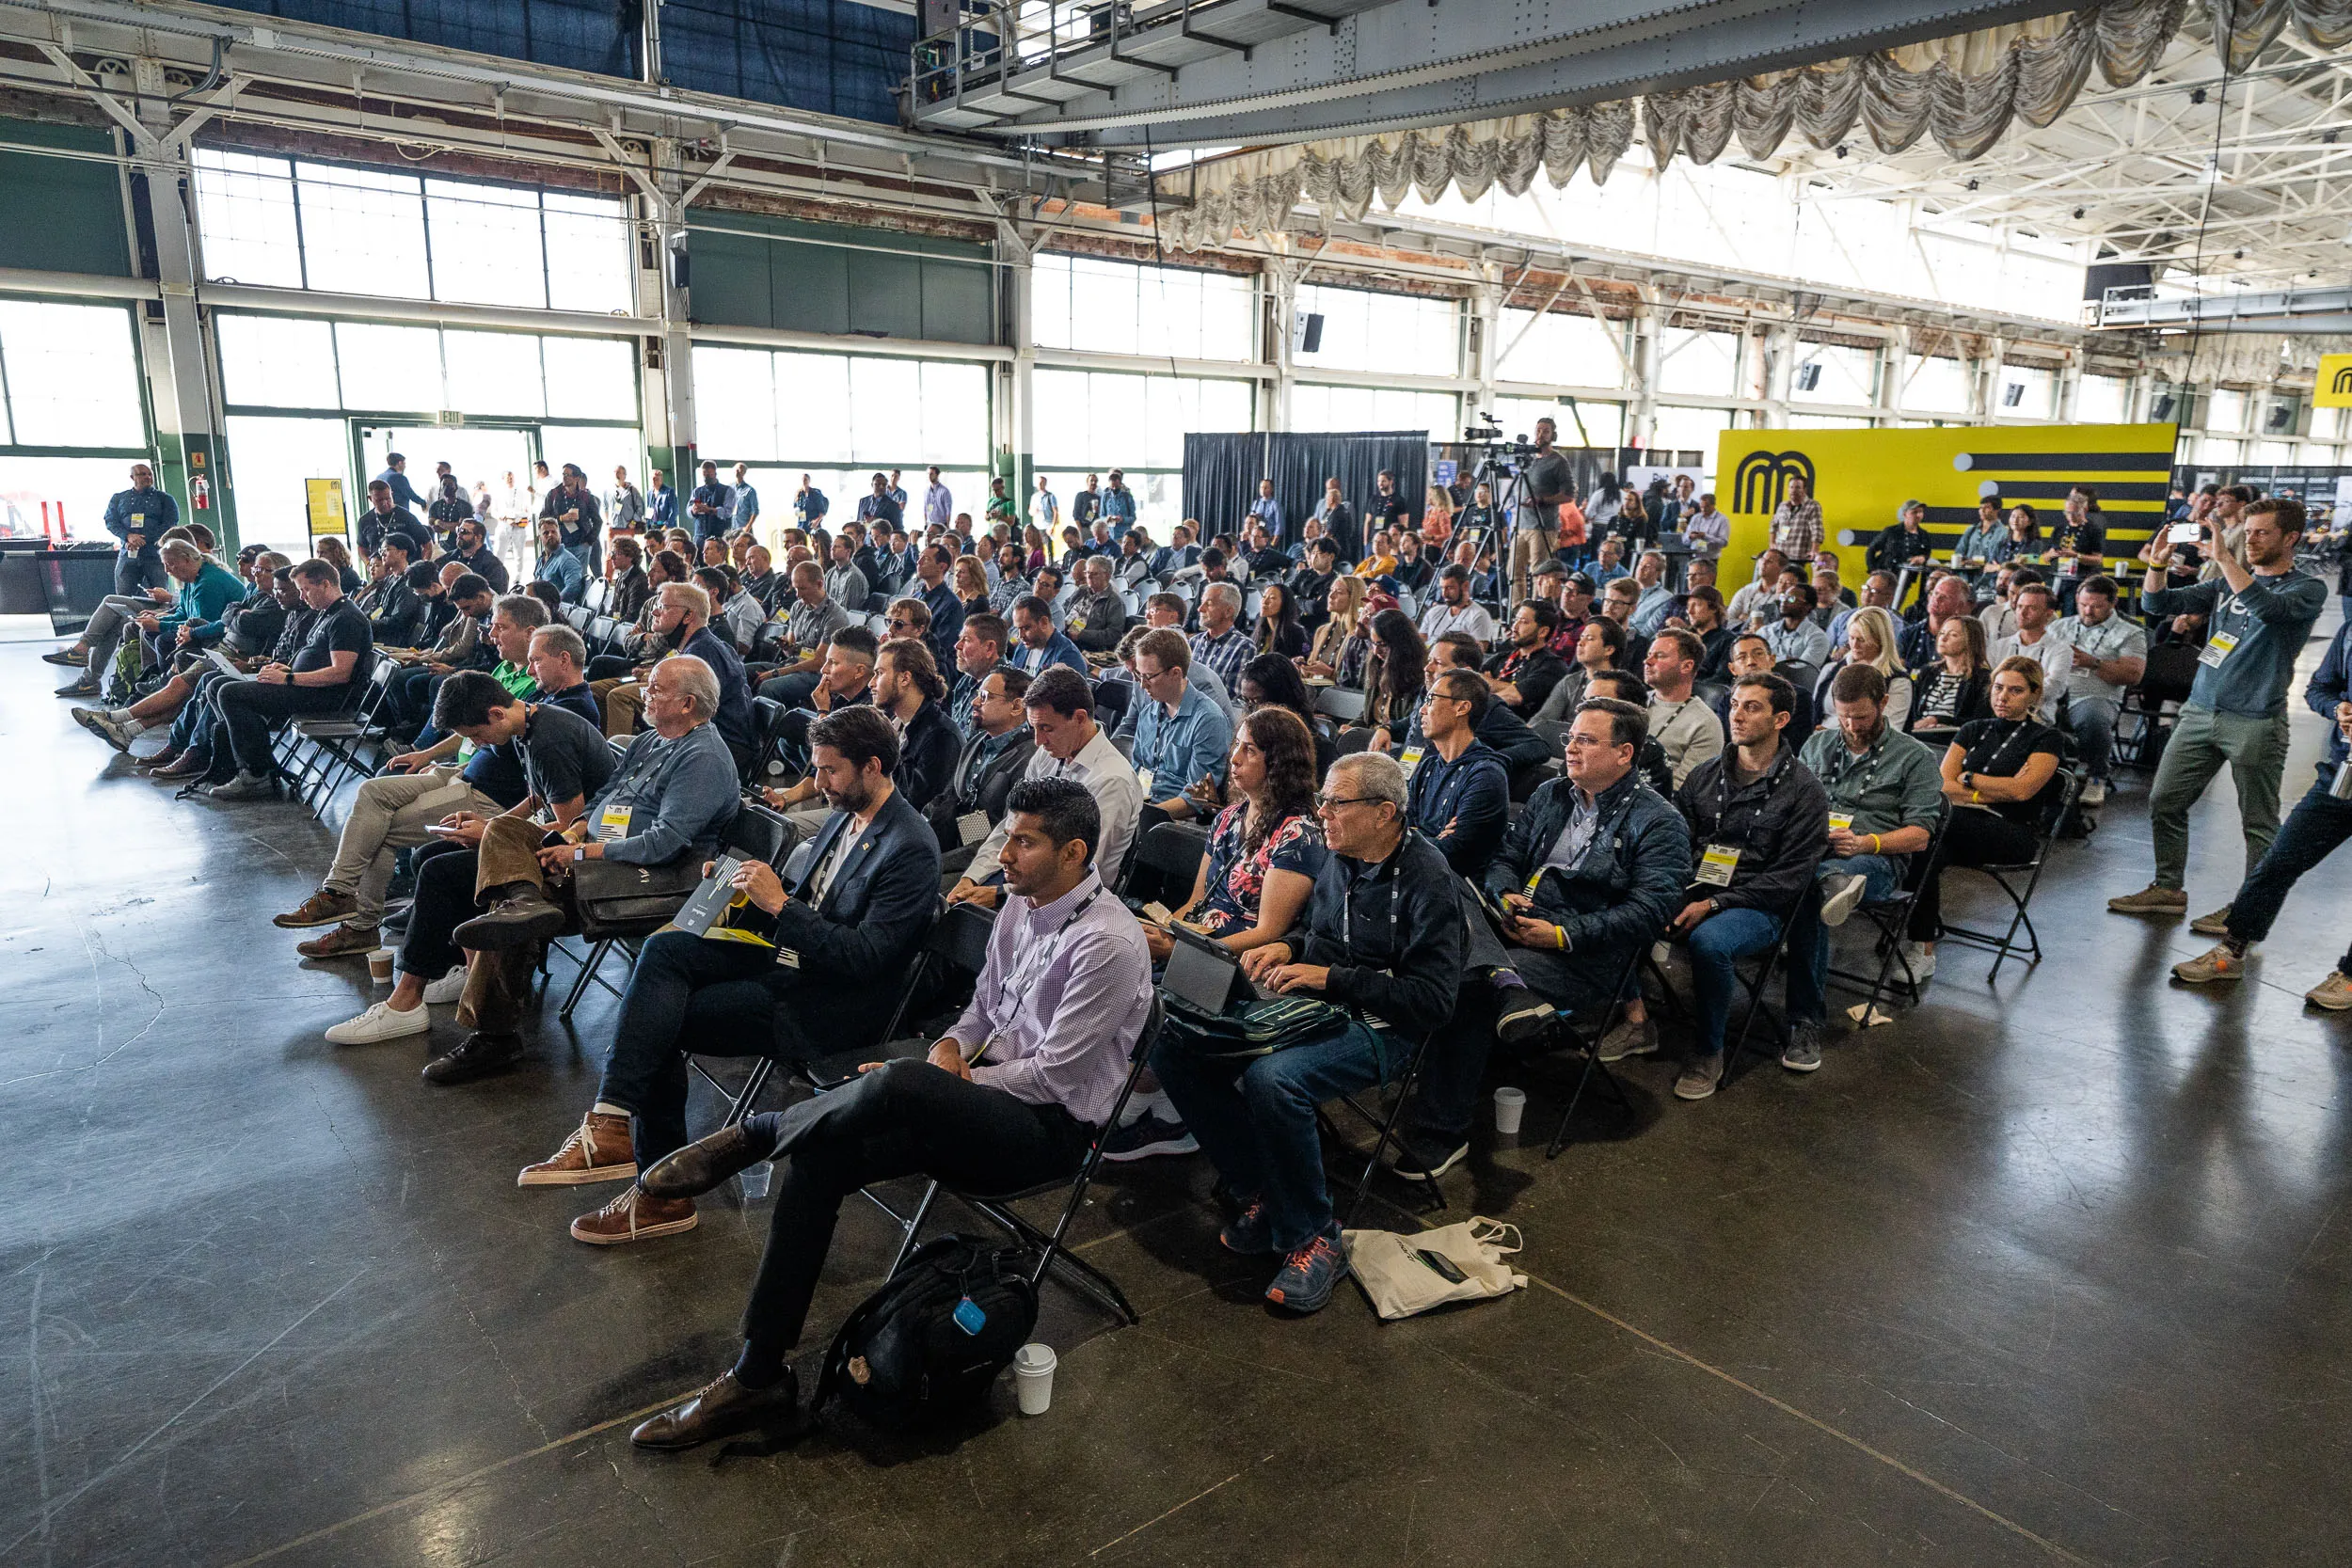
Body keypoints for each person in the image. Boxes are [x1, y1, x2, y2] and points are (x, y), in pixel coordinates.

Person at [617, 776, 1148, 1448]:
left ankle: (758, 1133)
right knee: (822, 1154)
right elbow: (981, 1010)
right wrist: (949, 1049)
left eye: (1025, 842)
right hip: (974, 1093)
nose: (1005, 854)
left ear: (1074, 853)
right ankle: (758, 1376)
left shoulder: (1108, 943)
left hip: (1045, 1131)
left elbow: (1052, 1077)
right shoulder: (1021, 905)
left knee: (903, 1080)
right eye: (1007, 836)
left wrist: (946, 1077)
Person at [523, 700, 943, 1246]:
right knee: (665, 951)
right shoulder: (847, 812)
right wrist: (744, 886)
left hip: (832, 1002)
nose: (818, 783)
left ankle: (659, 1190)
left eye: (829, 770)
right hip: (791, 960)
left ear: (873, 767)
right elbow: (809, 902)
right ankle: (612, 1121)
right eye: (816, 768)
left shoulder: (910, 846)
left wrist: (779, 905)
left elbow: (865, 958)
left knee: (658, 1021)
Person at [1154, 752, 1464, 1313]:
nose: (1322, 813)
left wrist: (1331, 977)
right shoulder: (1342, 855)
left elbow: (1434, 1003)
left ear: (1384, 813)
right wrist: (1287, 946)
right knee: (1174, 1042)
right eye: (1323, 800)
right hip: (1320, 1002)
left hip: (1388, 1026)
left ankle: (1315, 1236)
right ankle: (1263, 1189)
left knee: (1274, 1080)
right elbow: (1319, 936)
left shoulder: (1429, 880)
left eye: (1336, 803)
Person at [327, 657, 740, 1077]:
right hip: (597, 854)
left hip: (643, 878)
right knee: (501, 831)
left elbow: (664, 843)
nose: (644, 694)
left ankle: (493, 1035)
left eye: (656, 689)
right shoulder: (649, 741)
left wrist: (581, 853)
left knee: (476, 890)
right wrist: (575, 833)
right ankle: (522, 903)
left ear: (687, 704)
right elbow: (604, 797)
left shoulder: (703, 758)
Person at [276, 657, 607, 958]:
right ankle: (345, 902)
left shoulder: (548, 741)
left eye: (476, 735)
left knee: (427, 861)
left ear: (496, 714)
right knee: (384, 809)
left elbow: (568, 829)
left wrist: (491, 830)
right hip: (538, 828)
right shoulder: (527, 725)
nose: (476, 744)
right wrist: (498, 823)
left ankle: (428, 961)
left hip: (580, 853)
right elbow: (539, 797)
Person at [2112, 498, 2328, 925]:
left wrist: (2225, 560)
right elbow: (2156, 605)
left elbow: (2268, 609)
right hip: (2200, 710)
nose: (2251, 540)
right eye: (2247, 532)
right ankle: (2168, 887)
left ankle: (2247, 912)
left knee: (2258, 822)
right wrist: (2157, 565)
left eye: (2261, 532)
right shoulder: (2225, 584)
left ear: (2291, 538)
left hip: (2255, 720)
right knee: (2165, 799)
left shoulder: (2307, 588)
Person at [1484, 696, 1692, 1058]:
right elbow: (1507, 856)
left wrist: (1562, 935)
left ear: (1624, 753)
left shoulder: (1659, 821)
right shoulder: (1551, 794)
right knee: (1442, 912)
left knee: (1463, 979)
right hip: (1521, 922)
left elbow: (1648, 913)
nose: (1570, 749)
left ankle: (1507, 1003)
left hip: (1584, 957)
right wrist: (1505, 892)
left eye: (1586, 740)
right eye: (1571, 738)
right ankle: (1513, 997)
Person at [2171, 616, 2352, 1007]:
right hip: (2341, 776)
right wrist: (2337, 708)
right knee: (2278, 862)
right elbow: (2319, 688)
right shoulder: (2351, 631)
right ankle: (2231, 951)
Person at [1669, 673, 1830, 1100]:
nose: (1736, 715)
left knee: (1710, 943)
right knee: (1620, 908)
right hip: (1695, 886)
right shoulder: (1704, 776)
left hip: (1760, 903)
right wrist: (1674, 890)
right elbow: (1674, 842)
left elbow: (1790, 877)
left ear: (1781, 719)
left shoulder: (1805, 791)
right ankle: (1635, 1020)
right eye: (1735, 704)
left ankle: (1709, 1051)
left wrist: (1716, 904)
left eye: (1751, 707)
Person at [1905, 657, 2065, 979]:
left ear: (2034, 694)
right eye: (1998, 688)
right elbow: (1942, 784)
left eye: (2015, 691)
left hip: (2012, 833)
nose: (2003, 697)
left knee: (1926, 824)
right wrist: (1988, 791)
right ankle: (1922, 948)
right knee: (1924, 850)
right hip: (1958, 826)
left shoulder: (2047, 738)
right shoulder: (1973, 729)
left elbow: (2022, 792)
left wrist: (1968, 779)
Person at [949, 666, 1141, 909]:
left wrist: (1002, 893)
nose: (1038, 741)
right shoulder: (1047, 755)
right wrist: (972, 877)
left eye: (1047, 728)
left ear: (1079, 718)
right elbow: (1012, 824)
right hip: (1024, 871)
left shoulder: (1112, 781)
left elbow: (1082, 870)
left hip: (1067, 900)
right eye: (1034, 728)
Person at [205, 559, 375, 801]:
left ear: (325, 584)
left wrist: (289, 677)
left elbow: (340, 673)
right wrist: (286, 668)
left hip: (327, 697)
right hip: (306, 687)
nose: (302, 597)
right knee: (216, 685)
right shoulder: (328, 613)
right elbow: (318, 659)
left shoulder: (346, 618)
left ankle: (256, 774)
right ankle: (252, 762)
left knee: (230, 693)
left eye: (306, 589)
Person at [51, 537, 243, 700]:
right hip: (202, 626)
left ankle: (166, 688)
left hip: (223, 636)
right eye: (164, 565)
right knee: (139, 627)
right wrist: (160, 620)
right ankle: (151, 682)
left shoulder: (208, 583)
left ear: (186, 560)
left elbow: (201, 623)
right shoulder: (191, 580)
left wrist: (160, 625)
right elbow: (183, 613)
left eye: (170, 564)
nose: (167, 570)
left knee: (160, 638)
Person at [2043, 576, 2146, 808]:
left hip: (2095, 695)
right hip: (2053, 691)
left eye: (2096, 606)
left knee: (2093, 718)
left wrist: (2094, 663)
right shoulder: (2059, 626)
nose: (2088, 611)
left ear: (2113, 603)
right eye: (2083, 604)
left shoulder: (2130, 633)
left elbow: (2133, 675)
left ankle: (2097, 776)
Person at [1403, 666, 1510, 876]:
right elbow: (1398, 827)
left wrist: (1413, 836)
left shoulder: (1486, 775)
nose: (1422, 710)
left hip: (1455, 884)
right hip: (1414, 873)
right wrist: (1431, 838)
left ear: (1462, 708)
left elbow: (1452, 851)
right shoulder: (1427, 766)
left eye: (1431, 699)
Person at [929, 665, 1037, 856]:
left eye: (986, 696)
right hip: (952, 845)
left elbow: (1006, 834)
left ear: (1016, 707)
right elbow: (948, 797)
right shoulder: (975, 743)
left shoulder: (1029, 759)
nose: (975, 702)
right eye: (978, 694)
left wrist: (943, 861)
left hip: (989, 857)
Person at [1128, 628, 1233, 822]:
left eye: (1148, 677)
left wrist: (1143, 816)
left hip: (1178, 820)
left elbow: (1196, 798)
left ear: (1175, 673)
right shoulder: (1148, 713)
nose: (1142, 685)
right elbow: (1138, 771)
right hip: (1145, 808)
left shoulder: (1208, 719)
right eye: (1138, 675)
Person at [1641, 627, 1725, 789]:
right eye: (1649, 655)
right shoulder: (1632, 702)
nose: (1647, 661)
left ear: (1686, 666)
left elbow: (1684, 789)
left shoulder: (1705, 723)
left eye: (1660, 656)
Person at [100, 460, 180, 594]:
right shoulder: (119, 498)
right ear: (132, 477)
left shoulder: (165, 499)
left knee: (159, 593)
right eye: (142, 474)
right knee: (124, 595)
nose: (147, 477)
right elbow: (110, 521)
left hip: (155, 554)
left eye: (150, 474)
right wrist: (128, 536)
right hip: (128, 553)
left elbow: (170, 524)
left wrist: (143, 539)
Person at [1482, 599, 1569, 719]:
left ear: (1543, 632)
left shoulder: (1552, 665)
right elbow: (1472, 683)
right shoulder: (1502, 657)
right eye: (1515, 620)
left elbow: (1515, 696)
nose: (1514, 627)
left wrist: (1487, 686)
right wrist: (1511, 687)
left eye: (1523, 622)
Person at [1907, 614, 1992, 736]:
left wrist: (1938, 720)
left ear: (1970, 641)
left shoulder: (1983, 678)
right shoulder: (1927, 672)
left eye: (1953, 635)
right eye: (1942, 633)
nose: (1943, 638)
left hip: (1955, 738)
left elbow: (1980, 721)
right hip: (1918, 736)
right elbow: (1912, 713)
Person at [1189, 582, 1254, 697]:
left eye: (1209, 604)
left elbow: (1234, 698)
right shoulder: (1194, 642)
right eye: (1202, 602)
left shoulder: (1243, 647)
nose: (1200, 609)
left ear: (1228, 612)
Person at [1305, 575, 1369, 682]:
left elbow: (1361, 679)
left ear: (1353, 598)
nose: (1331, 596)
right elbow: (1310, 672)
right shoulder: (1322, 630)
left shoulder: (1360, 634)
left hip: (1340, 692)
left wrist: (1331, 673)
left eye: (1339, 592)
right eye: (1331, 590)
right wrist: (1304, 668)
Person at [1007, 594, 1087, 678]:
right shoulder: (1022, 648)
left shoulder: (1068, 657)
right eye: (1018, 629)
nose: (1020, 635)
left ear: (1044, 622)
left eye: (1026, 628)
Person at [1417, 563, 1497, 644]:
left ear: (1465, 586)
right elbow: (1419, 644)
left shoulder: (1479, 616)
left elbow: (1479, 650)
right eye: (1442, 588)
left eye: (1450, 588)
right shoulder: (1433, 612)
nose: (1444, 594)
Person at [1065, 557, 1130, 654]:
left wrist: (1081, 634)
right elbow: (1064, 608)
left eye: (1094, 574)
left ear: (1107, 576)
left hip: (1090, 649)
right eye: (1087, 573)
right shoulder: (1081, 591)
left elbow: (1113, 635)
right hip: (1068, 639)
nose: (1089, 577)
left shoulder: (1115, 602)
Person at [1760, 582, 1832, 666]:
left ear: (1807, 606)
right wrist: (1784, 659)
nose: (1784, 601)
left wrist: (1768, 661)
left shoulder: (1817, 637)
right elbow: (1752, 661)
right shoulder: (1766, 631)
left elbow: (1802, 670)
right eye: (1783, 597)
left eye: (1791, 599)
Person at [1867, 501, 1935, 577]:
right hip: (1885, 574)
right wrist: (1873, 571)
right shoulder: (1891, 531)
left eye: (1921, 512)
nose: (1918, 515)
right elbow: (1871, 549)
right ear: (1905, 514)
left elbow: (1926, 554)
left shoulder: (1924, 535)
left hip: (1907, 576)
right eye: (1914, 512)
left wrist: (1922, 558)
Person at [1768, 475, 1823, 562]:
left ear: (1804, 490)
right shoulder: (1783, 506)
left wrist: (1814, 550)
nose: (1793, 490)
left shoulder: (1813, 506)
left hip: (1798, 555)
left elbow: (1817, 530)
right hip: (1780, 554)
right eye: (1791, 487)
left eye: (1798, 487)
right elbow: (1773, 525)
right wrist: (1772, 543)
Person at [1251, 580, 1308, 660]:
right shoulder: (1260, 627)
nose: (1265, 601)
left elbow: (1305, 658)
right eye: (1263, 597)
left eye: (1272, 598)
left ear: (1285, 603)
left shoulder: (1297, 633)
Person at [687, 461, 734, 552]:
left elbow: (728, 512)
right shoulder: (697, 491)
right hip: (700, 537)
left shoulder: (728, 490)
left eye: (709, 474)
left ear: (715, 473)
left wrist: (709, 510)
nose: (706, 477)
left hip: (720, 536)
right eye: (704, 474)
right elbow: (688, 510)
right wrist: (693, 510)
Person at [824, 534, 869, 611]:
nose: (832, 549)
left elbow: (849, 609)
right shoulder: (830, 573)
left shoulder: (854, 576)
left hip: (845, 617)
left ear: (848, 551)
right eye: (832, 546)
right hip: (831, 615)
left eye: (837, 547)